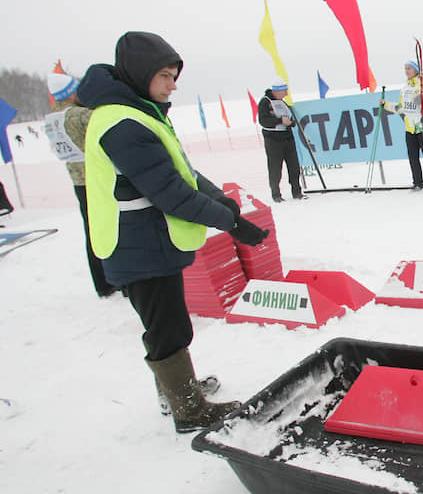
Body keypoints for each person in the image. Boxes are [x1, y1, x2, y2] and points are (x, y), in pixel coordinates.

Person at [77, 31, 269, 433]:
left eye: (174, 75)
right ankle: (188, 409)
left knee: (166, 322)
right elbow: (172, 193)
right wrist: (230, 222)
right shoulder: (122, 123)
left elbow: (183, 171)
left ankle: (176, 391)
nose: (173, 84)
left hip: (149, 239)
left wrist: (223, 202)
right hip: (137, 244)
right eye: (165, 75)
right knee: (168, 327)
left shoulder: (139, 110)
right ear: (141, 73)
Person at [43, 72, 118, 298]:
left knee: (92, 230)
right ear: (71, 92)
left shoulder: (52, 119)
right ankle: (121, 279)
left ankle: (102, 283)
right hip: (98, 178)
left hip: (77, 181)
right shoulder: (79, 115)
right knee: (112, 228)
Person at [380, 61, 423, 192]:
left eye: (409, 68)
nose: (406, 71)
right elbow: (401, 108)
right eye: (405, 68)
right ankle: (417, 183)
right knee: (413, 156)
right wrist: (385, 104)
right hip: (410, 128)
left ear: (415, 70)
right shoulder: (405, 88)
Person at [258, 78, 306, 203]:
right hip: (273, 140)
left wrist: (291, 123)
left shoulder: (282, 102)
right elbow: (263, 121)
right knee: (275, 168)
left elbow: (290, 118)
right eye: (284, 91)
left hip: (287, 138)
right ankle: (276, 194)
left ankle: (297, 192)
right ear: (276, 91)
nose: (286, 94)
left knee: (294, 166)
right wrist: (279, 121)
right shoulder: (265, 102)